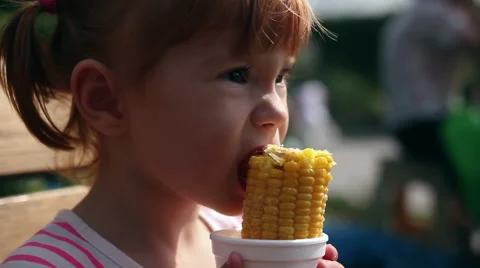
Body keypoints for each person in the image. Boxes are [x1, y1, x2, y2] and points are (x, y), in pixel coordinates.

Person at [0, 0, 342, 267]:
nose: (278, 112)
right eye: (237, 75)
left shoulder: (239, 236)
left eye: (280, 77)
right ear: (106, 101)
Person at [379, 0, 479, 234]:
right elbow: (474, 38)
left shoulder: (412, 13)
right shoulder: (433, 13)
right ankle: (463, 225)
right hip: (425, 124)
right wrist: (472, 8)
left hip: (407, 123)